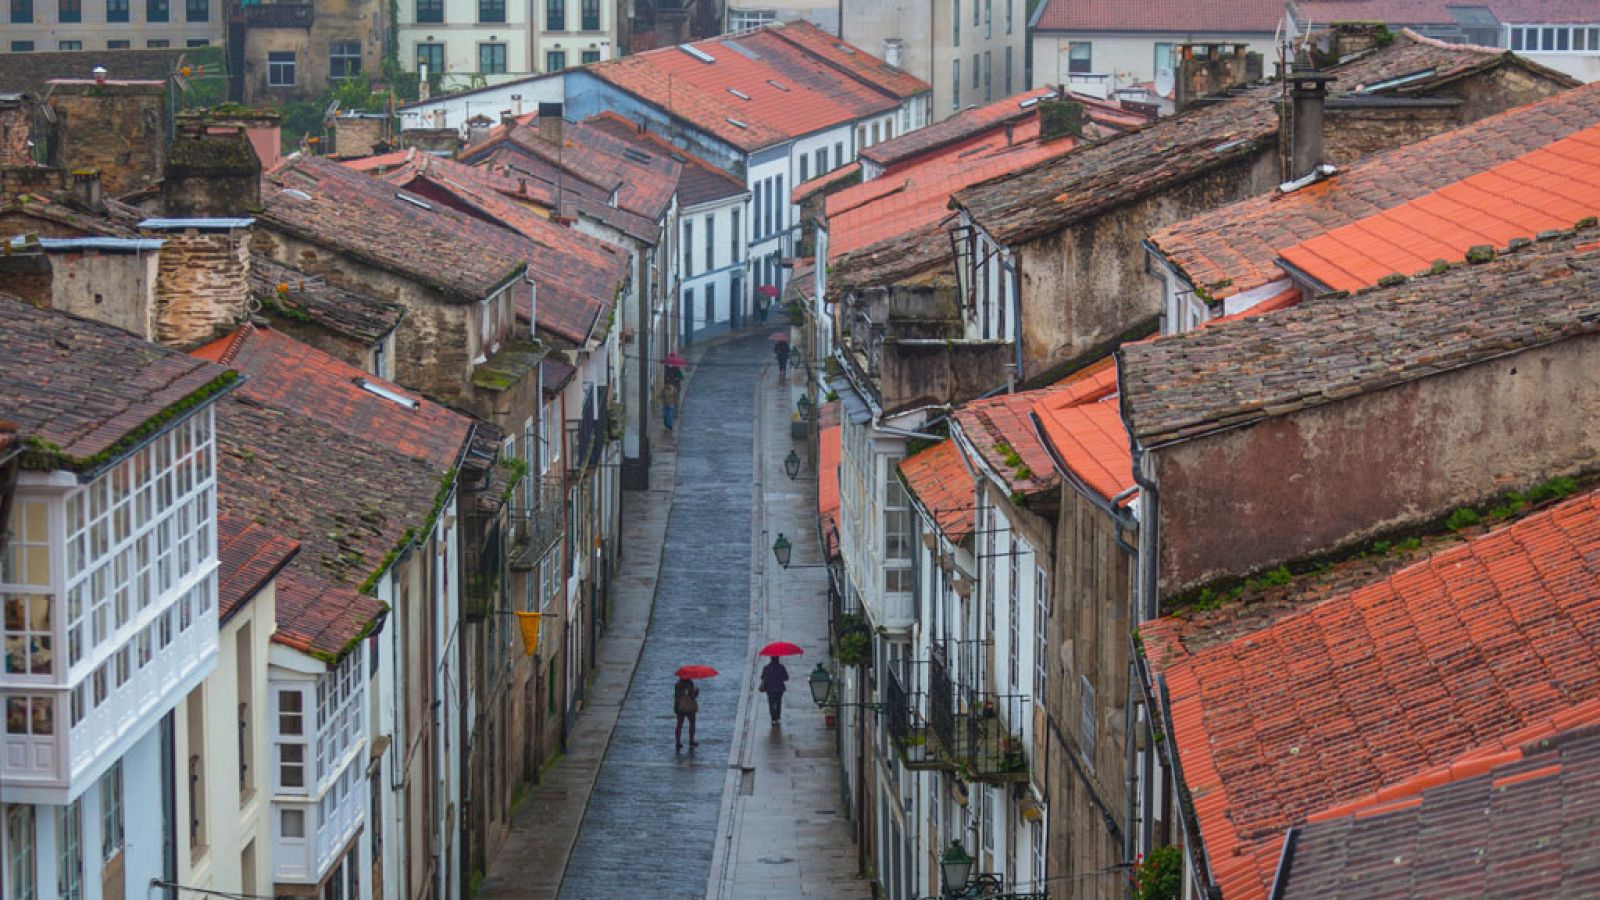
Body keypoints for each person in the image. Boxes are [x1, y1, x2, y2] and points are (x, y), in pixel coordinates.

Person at [759, 657, 789, 725]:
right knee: (778, 703)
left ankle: (773, 718)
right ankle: (777, 717)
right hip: (779, 689)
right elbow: (786, 678)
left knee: (771, 703)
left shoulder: (766, 668)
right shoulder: (781, 667)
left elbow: (762, 677)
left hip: (770, 689)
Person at [674, 677, 699, 749]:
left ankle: (678, 742)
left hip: (680, 707)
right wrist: (696, 691)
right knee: (692, 723)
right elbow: (692, 696)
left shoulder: (677, 685)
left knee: (679, 725)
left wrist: (676, 707)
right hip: (689, 707)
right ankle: (691, 740)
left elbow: (676, 697)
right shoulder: (690, 683)